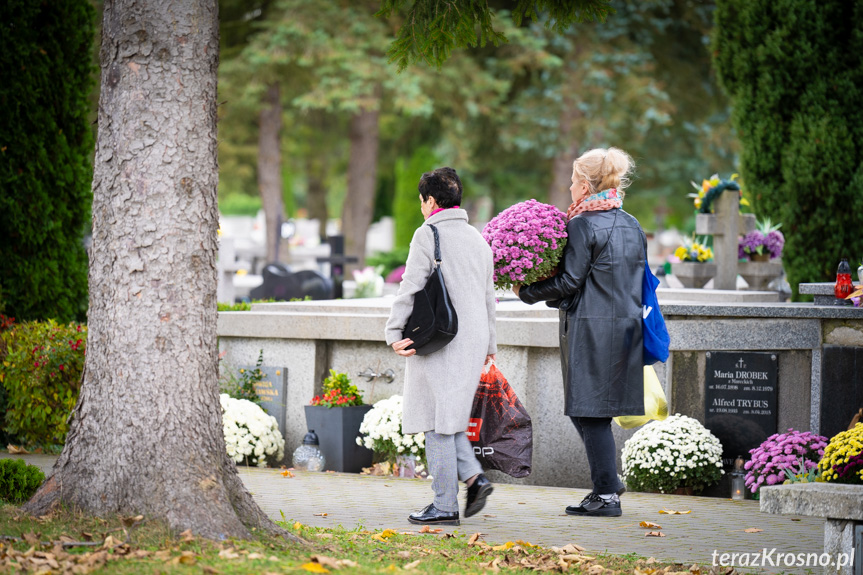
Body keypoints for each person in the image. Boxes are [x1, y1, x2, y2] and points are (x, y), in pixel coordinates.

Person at [513, 147, 645, 517]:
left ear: (585, 186)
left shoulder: (583, 223)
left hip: (590, 328)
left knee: (589, 412)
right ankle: (607, 484)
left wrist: (526, 292)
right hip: (625, 327)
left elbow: (570, 280)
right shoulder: (631, 222)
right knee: (589, 411)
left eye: (573, 181)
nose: (570, 188)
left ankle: (606, 495)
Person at [385, 167, 497, 526]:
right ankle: (474, 478)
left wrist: (392, 330)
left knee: (437, 421)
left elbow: (411, 285)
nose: (421, 208)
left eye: (421, 201)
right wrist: (491, 345)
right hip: (474, 337)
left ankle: (445, 506)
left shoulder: (427, 233)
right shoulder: (478, 239)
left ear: (431, 201)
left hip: (441, 337)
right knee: (449, 417)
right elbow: (488, 298)